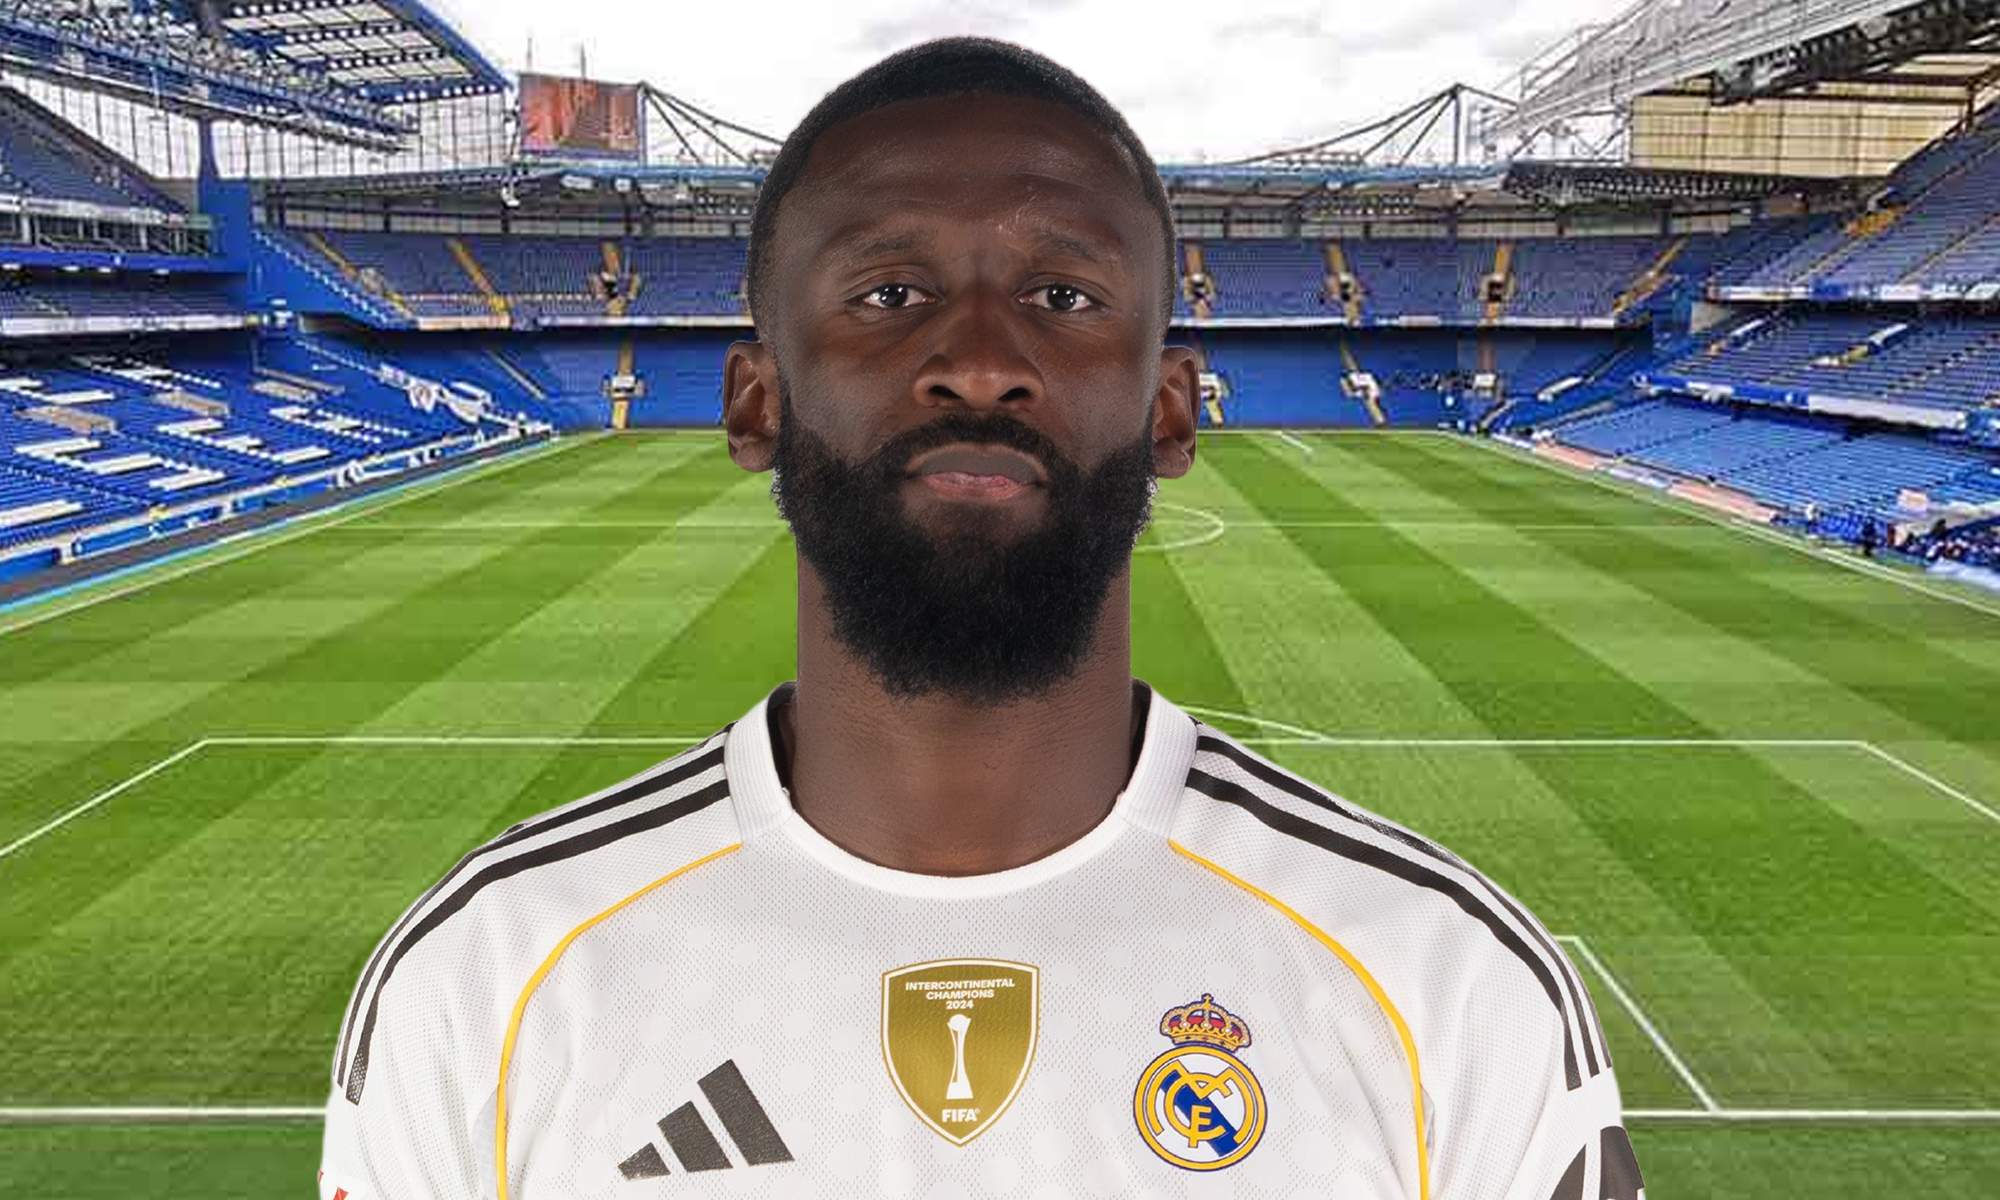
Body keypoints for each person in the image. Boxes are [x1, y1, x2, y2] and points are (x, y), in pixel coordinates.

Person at [319, 37, 1639, 1200]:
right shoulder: (485, 983)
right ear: (753, 402)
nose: (980, 361)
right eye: (887, 295)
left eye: (1062, 298)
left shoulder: (1447, 989)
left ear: (1175, 410)